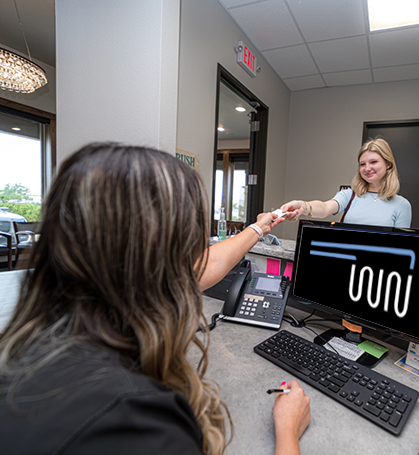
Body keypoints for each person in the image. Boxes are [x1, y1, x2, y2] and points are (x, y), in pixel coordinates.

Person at [0, 143, 311, 455]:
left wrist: (259, 227)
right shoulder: (136, 423)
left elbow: (207, 265)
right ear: (159, 262)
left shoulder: (34, 343)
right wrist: (288, 430)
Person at [280, 138, 411, 228]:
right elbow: (325, 208)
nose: (367, 168)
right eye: (362, 164)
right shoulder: (349, 195)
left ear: (388, 164)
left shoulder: (402, 205)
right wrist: (302, 206)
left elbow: (401, 248)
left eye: (373, 162)